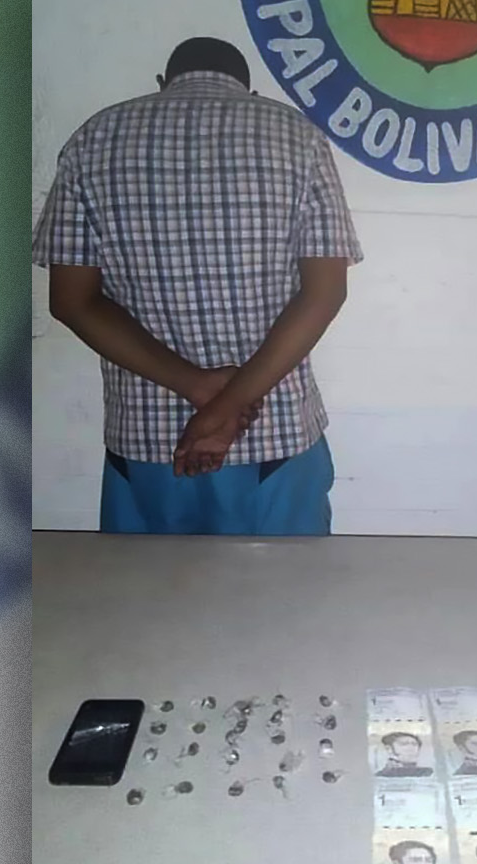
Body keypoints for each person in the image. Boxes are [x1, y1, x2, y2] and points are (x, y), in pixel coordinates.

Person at [33, 36, 363, 535]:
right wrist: (230, 405)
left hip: (146, 444)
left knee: (145, 586)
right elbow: (325, 293)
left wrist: (198, 386)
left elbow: (72, 301)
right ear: (249, 91)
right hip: (273, 437)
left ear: (163, 83)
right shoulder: (298, 137)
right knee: (287, 585)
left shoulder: (93, 139)